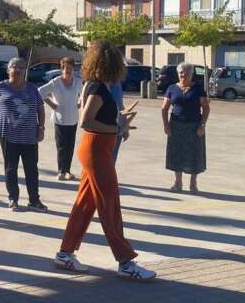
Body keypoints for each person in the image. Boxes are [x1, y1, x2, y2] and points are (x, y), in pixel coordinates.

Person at [54, 40, 155, 280]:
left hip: (97, 149)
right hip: (96, 150)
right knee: (110, 204)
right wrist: (117, 124)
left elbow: (98, 120)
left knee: (85, 205)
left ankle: (64, 254)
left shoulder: (97, 86)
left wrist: (119, 121)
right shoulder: (98, 88)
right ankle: (125, 261)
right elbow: (87, 122)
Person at [0, 57, 47, 211]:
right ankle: (13, 199)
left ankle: (34, 200)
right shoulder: (1, 87)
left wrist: (41, 128)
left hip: (30, 136)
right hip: (8, 135)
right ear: (8, 70)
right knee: (11, 168)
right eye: (14, 67)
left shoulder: (32, 88)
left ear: (25, 71)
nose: (17, 70)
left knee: (31, 169)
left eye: (21, 67)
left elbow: (40, 108)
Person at [161, 61, 210, 193]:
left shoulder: (198, 89)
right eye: (181, 72)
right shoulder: (171, 88)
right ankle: (178, 182)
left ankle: (193, 183)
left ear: (191, 74)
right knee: (177, 154)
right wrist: (166, 125)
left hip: (194, 126)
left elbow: (206, 108)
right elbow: (164, 108)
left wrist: (202, 125)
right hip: (176, 125)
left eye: (186, 72)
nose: (183, 75)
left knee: (195, 153)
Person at [38, 57, 82, 180]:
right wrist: (51, 104)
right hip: (60, 118)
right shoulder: (56, 82)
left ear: (73, 69)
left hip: (73, 118)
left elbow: (84, 95)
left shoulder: (78, 82)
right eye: (65, 68)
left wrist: (80, 103)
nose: (67, 70)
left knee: (70, 146)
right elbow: (40, 92)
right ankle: (61, 172)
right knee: (61, 146)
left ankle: (68, 171)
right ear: (61, 68)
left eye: (70, 68)